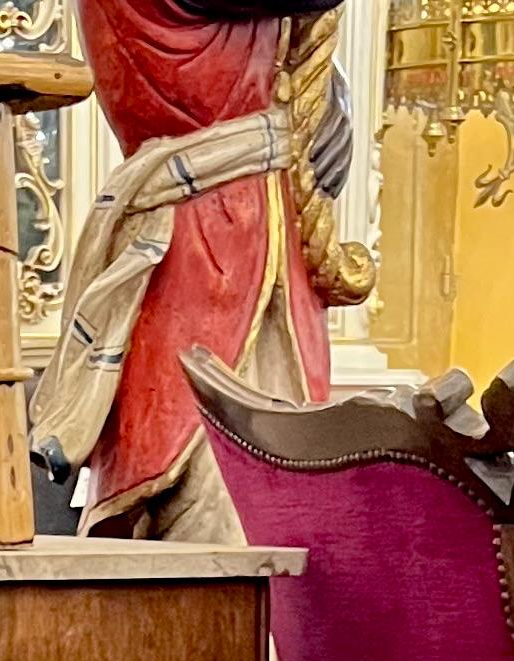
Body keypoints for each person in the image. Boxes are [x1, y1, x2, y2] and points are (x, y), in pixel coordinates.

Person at [35, 0, 371, 538]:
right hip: (203, 255)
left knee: (278, 522)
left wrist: (326, 91)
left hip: (257, 244)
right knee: (217, 517)